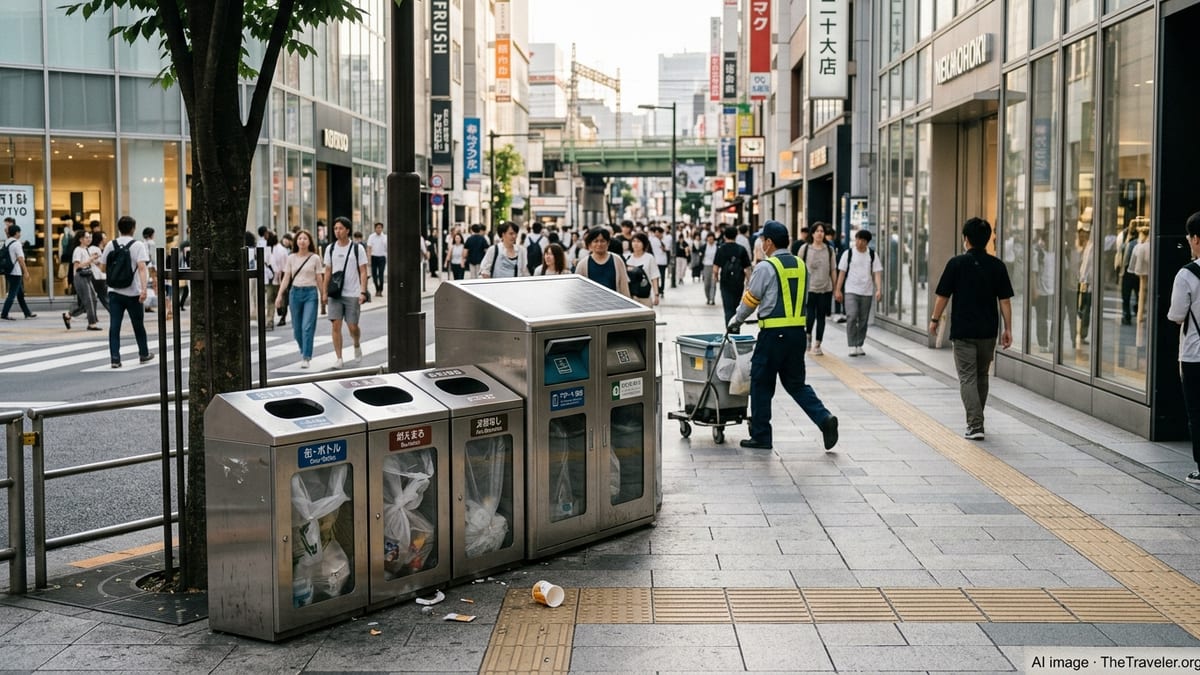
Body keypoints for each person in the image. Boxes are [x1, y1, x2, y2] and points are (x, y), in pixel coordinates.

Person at [727, 220, 838, 452]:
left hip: (773, 335)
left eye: (762, 240)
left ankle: (761, 436)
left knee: (760, 382)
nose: (761, 244)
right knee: (796, 384)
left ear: (768, 242)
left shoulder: (766, 267)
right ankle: (824, 418)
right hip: (798, 335)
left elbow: (751, 299)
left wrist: (735, 321)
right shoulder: (800, 264)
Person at [928, 217, 1014, 441]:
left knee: (967, 378)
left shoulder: (956, 264)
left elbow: (942, 296)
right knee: (982, 376)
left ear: (966, 239)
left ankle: (975, 425)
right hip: (988, 331)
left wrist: (934, 319)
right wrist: (1008, 329)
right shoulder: (997, 266)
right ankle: (977, 420)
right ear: (987, 239)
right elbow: (1005, 301)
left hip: (964, 331)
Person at [1167, 211, 1200, 484]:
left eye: (1189, 238)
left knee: (1197, 411)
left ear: (1196, 239)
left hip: (1194, 355)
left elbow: (1176, 315)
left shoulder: (1187, 275)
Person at [100, 215, 153, 368]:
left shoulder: (111, 244)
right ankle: (143, 353)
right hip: (133, 292)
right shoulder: (138, 245)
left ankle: (115, 358)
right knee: (138, 325)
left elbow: (103, 267)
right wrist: (144, 290)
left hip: (114, 292)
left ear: (119, 229)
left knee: (114, 326)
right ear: (133, 228)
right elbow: (142, 268)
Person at [322, 216, 369, 369]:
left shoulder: (357, 248)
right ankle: (339, 358)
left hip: (353, 293)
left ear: (347, 230)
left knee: (352, 326)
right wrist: (324, 292)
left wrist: (363, 292)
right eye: (335, 228)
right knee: (336, 325)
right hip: (335, 294)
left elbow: (363, 271)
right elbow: (327, 272)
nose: (338, 231)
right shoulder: (330, 249)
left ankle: (356, 343)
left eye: (341, 228)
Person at [275, 229, 323, 369]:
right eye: (300, 238)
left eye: (305, 238)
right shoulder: (291, 258)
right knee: (297, 329)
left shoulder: (315, 258)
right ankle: (304, 349)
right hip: (295, 293)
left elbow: (319, 277)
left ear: (309, 242)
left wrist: (323, 294)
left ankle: (306, 356)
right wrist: (279, 295)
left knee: (307, 326)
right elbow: (286, 278)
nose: (302, 241)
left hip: (311, 294)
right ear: (296, 241)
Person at [834, 229, 884, 356]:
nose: (859, 242)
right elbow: (842, 272)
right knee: (852, 316)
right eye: (857, 239)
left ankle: (859, 344)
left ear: (867, 242)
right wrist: (838, 290)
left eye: (862, 240)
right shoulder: (848, 253)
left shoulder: (872, 255)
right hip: (851, 290)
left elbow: (877, 273)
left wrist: (878, 289)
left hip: (866, 291)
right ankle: (851, 344)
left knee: (863, 320)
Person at [796, 222, 837, 356]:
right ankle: (808, 335)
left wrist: (836, 288)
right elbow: (798, 268)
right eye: (817, 231)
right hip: (809, 288)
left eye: (822, 231)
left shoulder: (829, 250)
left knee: (821, 317)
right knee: (810, 315)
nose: (820, 233)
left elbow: (833, 270)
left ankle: (818, 343)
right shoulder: (805, 249)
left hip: (825, 288)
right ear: (812, 233)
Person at [62, 230, 102, 330]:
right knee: (88, 300)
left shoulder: (87, 250)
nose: (89, 239)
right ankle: (92, 323)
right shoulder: (78, 250)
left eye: (90, 237)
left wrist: (95, 260)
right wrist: (90, 259)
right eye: (87, 237)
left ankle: (68, 315)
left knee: (92, 299)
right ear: (81, 239)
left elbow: (90, 263)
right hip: (80, 276)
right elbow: (77, 266)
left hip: (87, 276)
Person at [575, 226, 630, 296]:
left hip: (615, 304)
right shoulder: (583, 264)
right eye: (595, 241)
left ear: (608, 243)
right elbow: (578, 291)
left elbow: (624, 287)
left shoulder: (617, 260)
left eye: (602, 241)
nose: (599, 244)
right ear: (590, 244)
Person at [712, 226, 751, 324]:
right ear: (736, 235)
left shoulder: (721, 249)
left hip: (725, 282)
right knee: (736, 306)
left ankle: (729, 330)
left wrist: (715, 278)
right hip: (738, 282)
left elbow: (715, 268)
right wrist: (748, 282)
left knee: (728, 307)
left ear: (725, 236)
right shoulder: (741, 249)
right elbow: (747, 269)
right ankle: (736, 329)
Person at [1, 220, 36, 320]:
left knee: (20, 294)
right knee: (12, 294)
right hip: (15, 272)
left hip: (8, 270)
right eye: (19, 232)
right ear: (16, 233)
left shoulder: (7, 242)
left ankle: (27, 312)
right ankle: (4, 314)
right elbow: (21, 259)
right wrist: (26, 272)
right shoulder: (16, 244)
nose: (20, 234)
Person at [623, 232, 660, 308]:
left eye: (639, 241)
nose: (636, 244)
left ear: (644, 244)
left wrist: (656, 294)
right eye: (634, 241)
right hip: (630, 296)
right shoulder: (627, 257)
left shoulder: (649, 257)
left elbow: (654, 276)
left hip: (645, 296)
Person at [367, 221, 388, 297]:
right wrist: (368, 259)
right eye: (377, 228)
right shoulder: (371, 236)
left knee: (381, 274)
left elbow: (388, 248)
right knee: (374, 275)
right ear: (375, 229)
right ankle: (377, 289)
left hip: (382, 257)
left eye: (380, 228)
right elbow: (369, 248)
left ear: (382, 228)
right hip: (374, 257)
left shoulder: (385, 237)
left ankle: (380, 290)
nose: (378, 229)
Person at [699, 230, 719, 305]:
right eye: (709, 239)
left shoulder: (717, 247)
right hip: (706, 266)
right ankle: (708, 298)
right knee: (706, 284)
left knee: (713, 283)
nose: (710, 240)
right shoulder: (704, 247)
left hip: (714, 266)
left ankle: (712, 298)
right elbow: (700, 255)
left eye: (712, 239)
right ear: (707, 239)